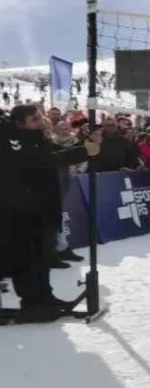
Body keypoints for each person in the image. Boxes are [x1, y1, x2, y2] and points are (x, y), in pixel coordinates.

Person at [0, 105, 100, 321]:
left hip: (43, 207)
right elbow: (37, 162)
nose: (40, 120)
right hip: (19, 212)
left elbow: (54, 151)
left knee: (43, 257)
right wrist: (83, 151)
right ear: (19, 122)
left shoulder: (38, 138)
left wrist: (86, 143)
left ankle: (45, 297)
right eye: (33, 119)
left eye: (39, 116)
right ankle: (31, 303)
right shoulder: (9, 139)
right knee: (26, 259)